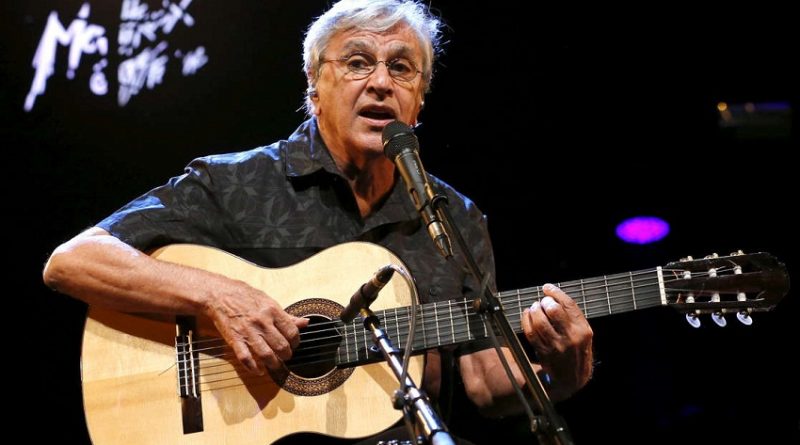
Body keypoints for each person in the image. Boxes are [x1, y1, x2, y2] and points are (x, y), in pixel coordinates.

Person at [42, 0, 593, 443]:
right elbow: (72, 261)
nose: (380, 82)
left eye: (401, 68)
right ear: (313, 86)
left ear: (419, 100)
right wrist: (218, 296)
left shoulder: (455, 218)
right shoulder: (237, 183)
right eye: (357, 62)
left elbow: (484, 383)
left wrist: (560, 374)